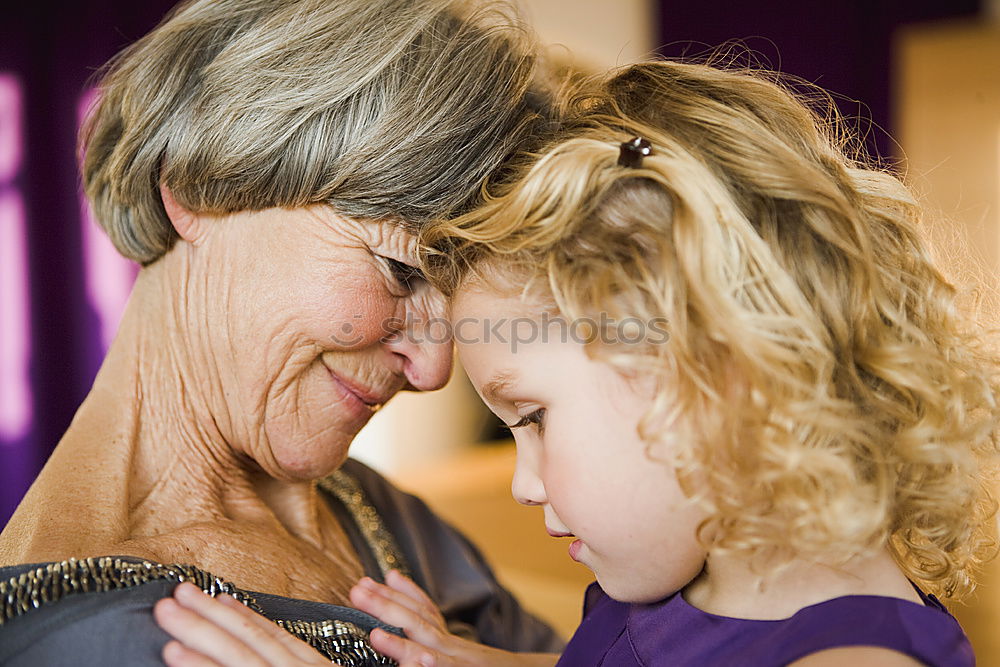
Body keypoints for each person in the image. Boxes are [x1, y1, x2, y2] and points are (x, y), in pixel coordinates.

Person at [152, 60, 1000, 666]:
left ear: (715, 369)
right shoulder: (688, 573)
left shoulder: (849, 654)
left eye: (534, 418)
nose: (524, 484)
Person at [0, 0, 566, 664]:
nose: (434, 370)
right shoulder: (69, 637)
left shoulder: (382, 513)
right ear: (198, 184)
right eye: (399, 269)